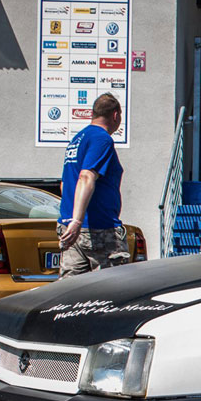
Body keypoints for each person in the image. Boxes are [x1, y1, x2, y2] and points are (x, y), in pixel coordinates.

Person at [57, 93, 129, 277]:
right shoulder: (101, 139)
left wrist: (71, 221)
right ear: (115, 115)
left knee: (70, 293)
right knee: (112, 289)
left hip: (70, 230)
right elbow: (86, 177)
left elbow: (65, 185)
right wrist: (78, 220)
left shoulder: (77, 139)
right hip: (99, 229)